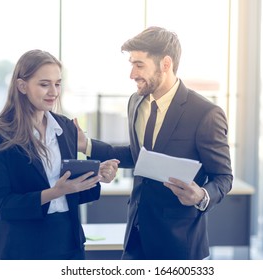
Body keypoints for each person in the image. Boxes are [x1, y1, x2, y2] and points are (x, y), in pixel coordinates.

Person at [75, 26, 233, 260]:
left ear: (165, 64)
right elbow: (138, 156)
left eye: (139, 65)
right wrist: (86, 145)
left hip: (179, 244)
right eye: (131, 64)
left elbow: (224, 177)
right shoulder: (136, 102)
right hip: (135, 237)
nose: (131, 74)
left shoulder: (205, 113)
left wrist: (201, 196)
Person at [0, 49, 119, 260]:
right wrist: (54, 192)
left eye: (58, 83)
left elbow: (71, 192)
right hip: (23, 246)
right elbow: (3, 205)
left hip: (68, 243)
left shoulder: (66, 128)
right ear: (22, 86)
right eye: (45, 84)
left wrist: (98, 177)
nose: (53, 91)